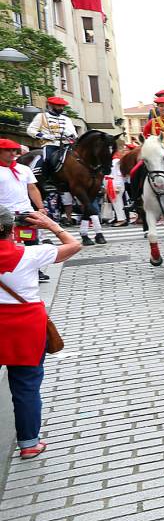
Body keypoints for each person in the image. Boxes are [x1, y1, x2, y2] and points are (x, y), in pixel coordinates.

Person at [0, 207, 80, 459]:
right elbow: (74, 245)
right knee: (26, 386)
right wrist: (51, 225)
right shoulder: (31, 253)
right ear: (11, 229)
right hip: (26, 326)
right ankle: (29, 444)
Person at [26, 96, 76, 187]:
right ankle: (47, 181)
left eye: (62, 106)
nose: (61, 108)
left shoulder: (67, 119)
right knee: (47, 159)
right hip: (50, 144)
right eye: (59, 106)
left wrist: (71, 136)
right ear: (51, 105)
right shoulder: (41, 116)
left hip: (66, 144)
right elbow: (30, 130)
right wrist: (44, 136)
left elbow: (74, 134)